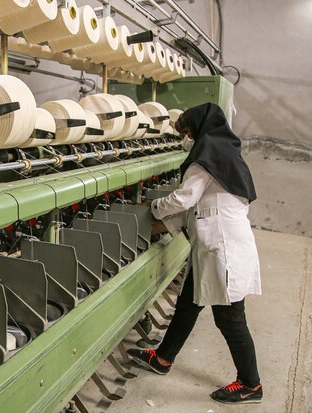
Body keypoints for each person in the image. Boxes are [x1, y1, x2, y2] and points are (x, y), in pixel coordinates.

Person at [128, 103, 263, 404]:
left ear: (199, 128)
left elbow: (186, 198)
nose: (188, 139)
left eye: (188, 132)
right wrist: (165, 224)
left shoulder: (206, 155)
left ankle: (251, 384)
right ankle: (163, 358)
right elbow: (203, 206)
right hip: (215, 242)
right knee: (188, 303)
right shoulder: (224, 151)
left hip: (222, 247)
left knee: (229, 318)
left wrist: (153, 209)